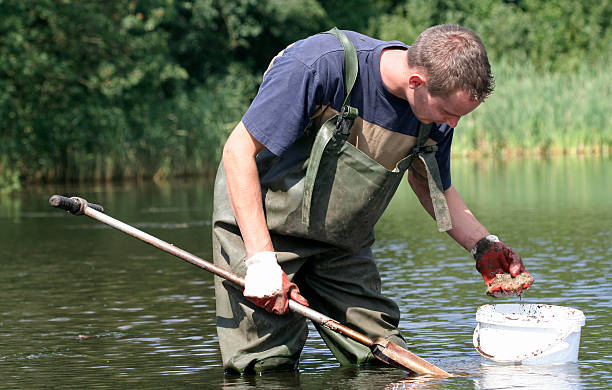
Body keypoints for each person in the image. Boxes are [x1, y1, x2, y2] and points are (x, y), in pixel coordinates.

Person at [212, 24, 533, 374]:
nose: (453, 125)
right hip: (261, 230)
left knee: (387, 359)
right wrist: (260, 261)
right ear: (416, 84)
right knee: (265, 367)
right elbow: (237, 151)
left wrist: (483, 245)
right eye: (449, 112)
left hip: (341, 242)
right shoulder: (320, 65)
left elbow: (432, 186)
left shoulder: (433, 111)